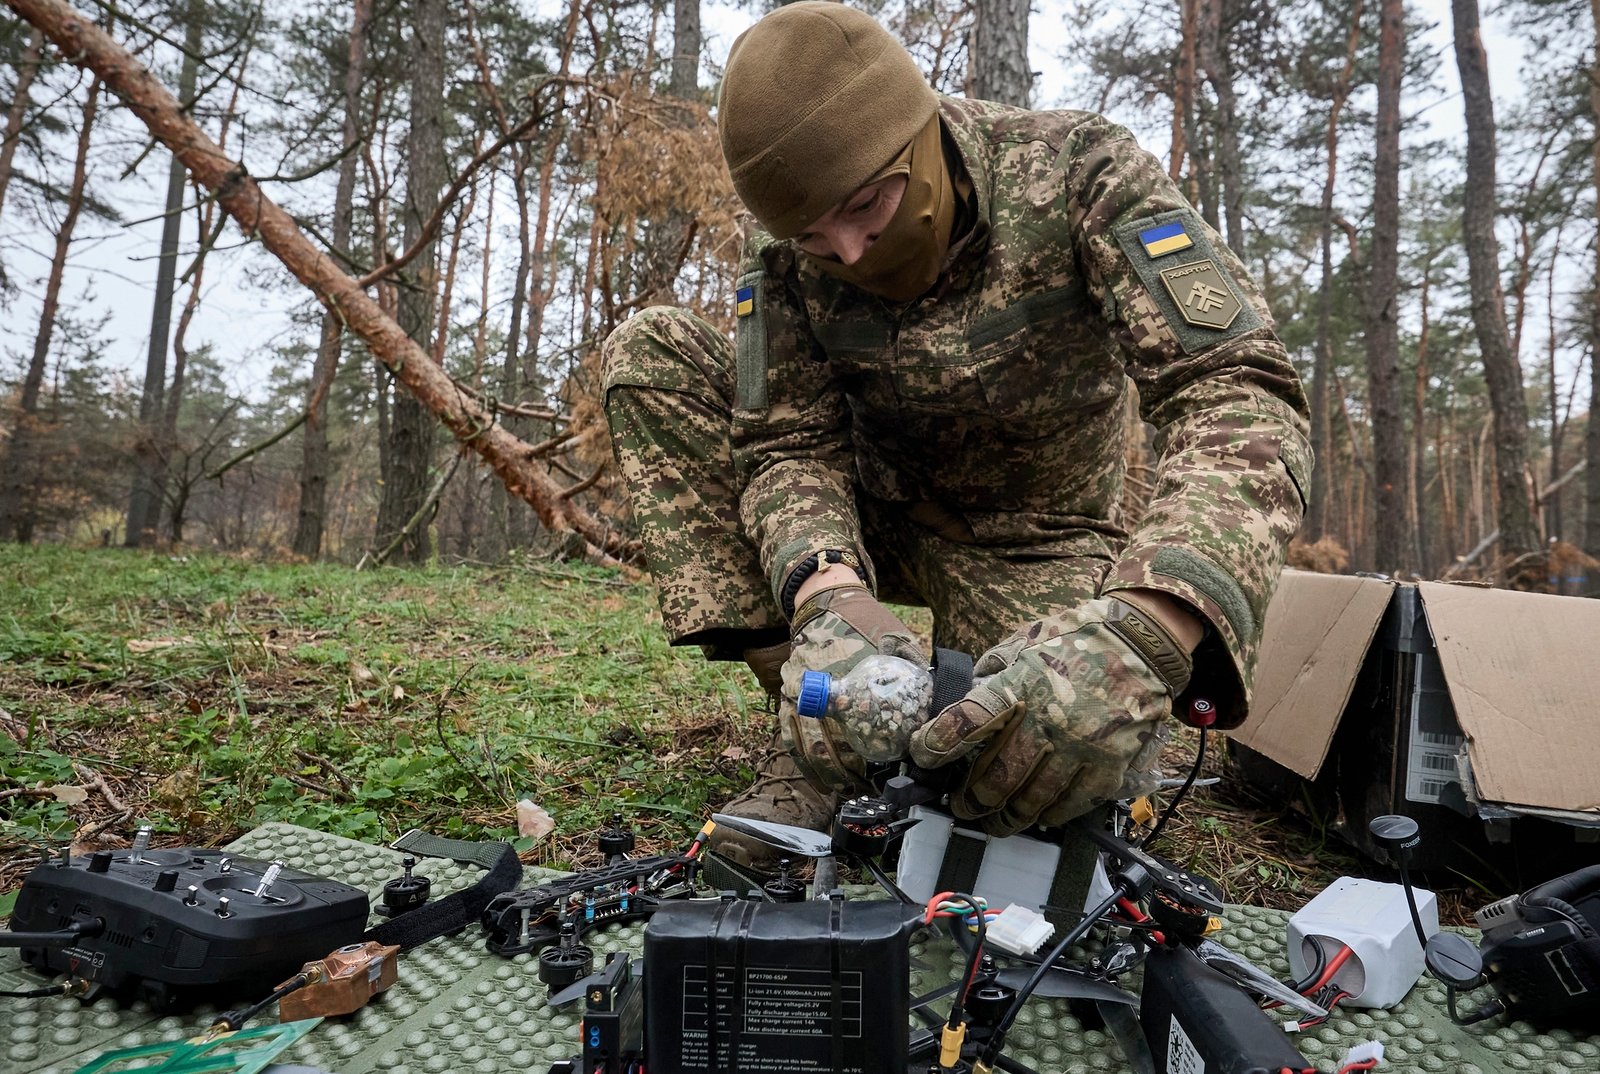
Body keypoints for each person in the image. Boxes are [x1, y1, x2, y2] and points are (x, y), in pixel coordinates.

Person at [602, 3, 1310, 870]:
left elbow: (1237, 390)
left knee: (1028, 768)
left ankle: (950, 727)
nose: (850, 252)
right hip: (868, 521)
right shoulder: (783, 248)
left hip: (1033, 541)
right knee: (654, 353)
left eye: (869, 205)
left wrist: (1146, 631)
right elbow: (786, 440)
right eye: (814, 237)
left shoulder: (1079, 171)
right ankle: (822, 741)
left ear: (921, 132)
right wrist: (828, 600)